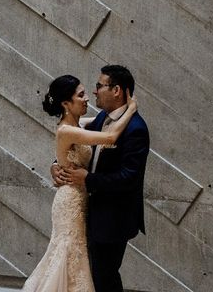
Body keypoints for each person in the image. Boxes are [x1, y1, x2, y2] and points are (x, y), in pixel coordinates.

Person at [22, 74, 137, 292]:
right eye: (81, 95)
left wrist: (56, 163)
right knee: (68, 256)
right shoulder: (66, 130)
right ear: (66, 103)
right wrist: (131, 108)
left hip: (81, 199)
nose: (87, 99)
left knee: (76, 257)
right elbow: (110, 137)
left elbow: (103, 122)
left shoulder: (80, 124)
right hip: (69, 202)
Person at [52, 65, 150, 292]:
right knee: (89, 274)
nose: (94, 92)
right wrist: (56, 165)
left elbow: (129, 178)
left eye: (99, 86)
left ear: (116, 90)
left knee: (104, 276)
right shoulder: (102, 118)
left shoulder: (136, 129)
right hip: (88, 210)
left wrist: (88, 179)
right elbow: (70, 139)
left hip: (113, 216)